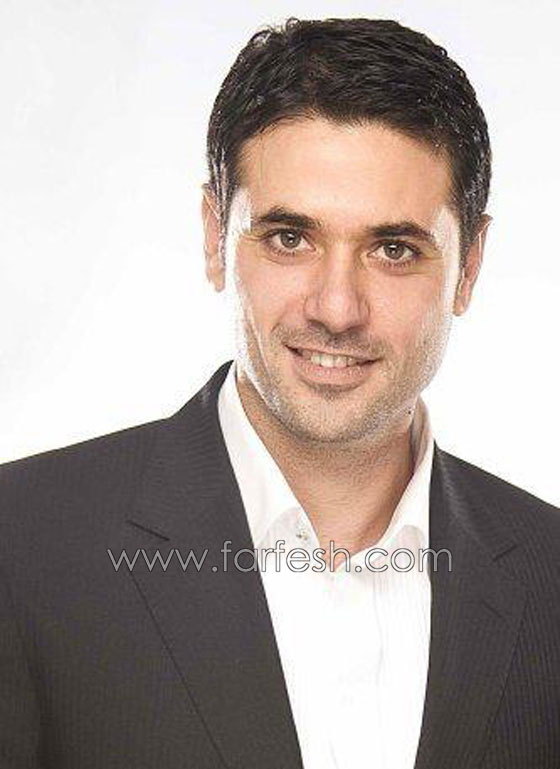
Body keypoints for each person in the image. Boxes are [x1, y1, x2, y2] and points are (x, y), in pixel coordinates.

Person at [0, 16, 558, 769]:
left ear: (471, 266)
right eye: (290, 238)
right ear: (214, 236)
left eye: (394, 249)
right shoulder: (21, 545)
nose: (337, 308)